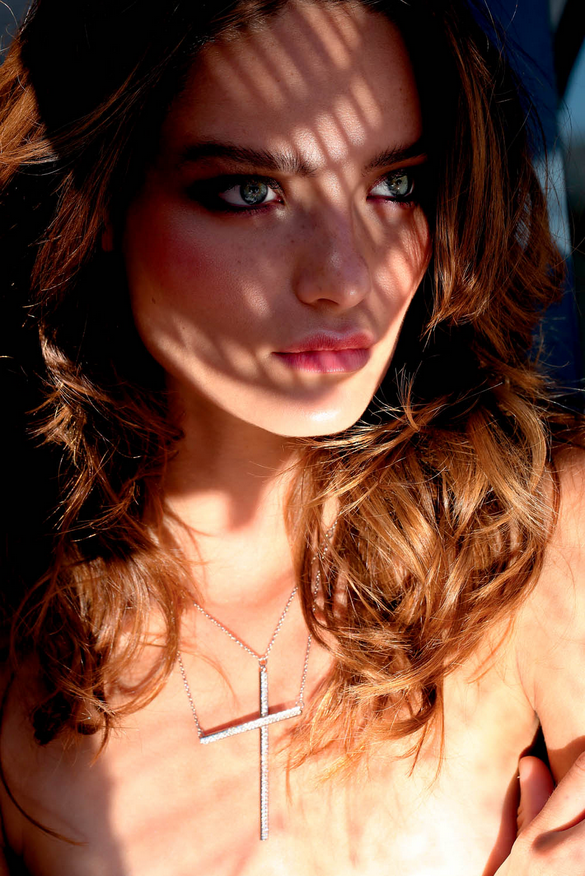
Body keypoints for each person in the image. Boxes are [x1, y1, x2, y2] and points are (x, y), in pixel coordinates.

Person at [1, 0, 585, 872]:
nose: (344, 279)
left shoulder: (535, 537)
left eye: (394, 186)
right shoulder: (20, 642)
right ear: (100, 201)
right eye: (249, 192)